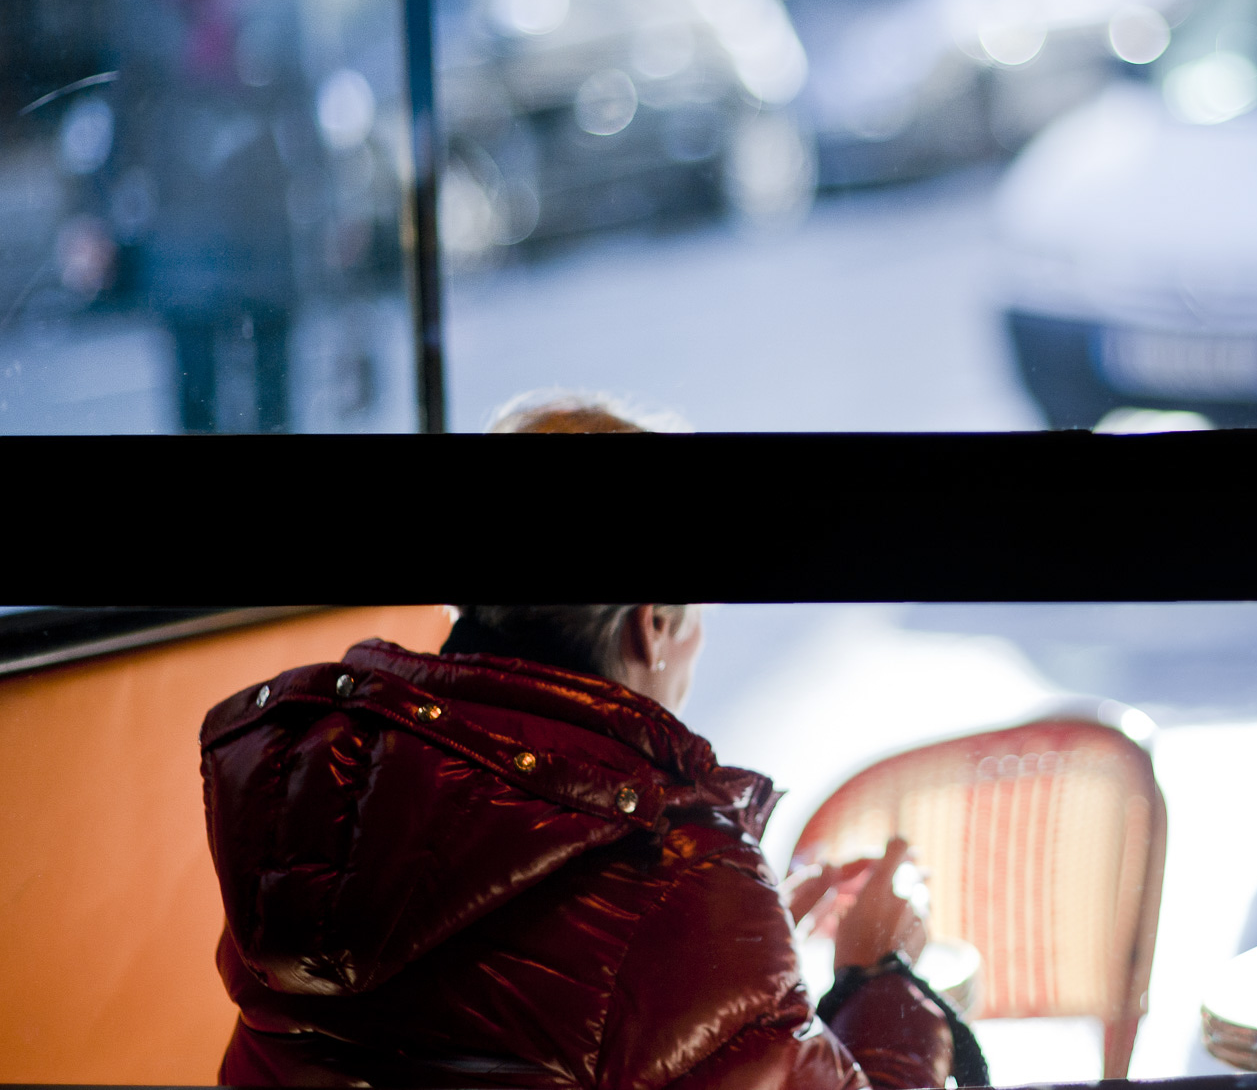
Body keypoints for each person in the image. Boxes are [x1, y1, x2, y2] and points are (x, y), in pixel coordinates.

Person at [200, 402, 979, 1088]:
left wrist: (746, 963)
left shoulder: (305, 802)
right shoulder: (685, 888)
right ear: (652, 624)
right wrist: (880, 975)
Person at [107, 0, 322, 432]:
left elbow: (305, 109)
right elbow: (124, 116)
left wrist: (326, 206)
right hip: (185, 220)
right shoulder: (145, 0)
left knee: (274, 392)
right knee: (194, 393)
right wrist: (96, 217)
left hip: (261, 216)